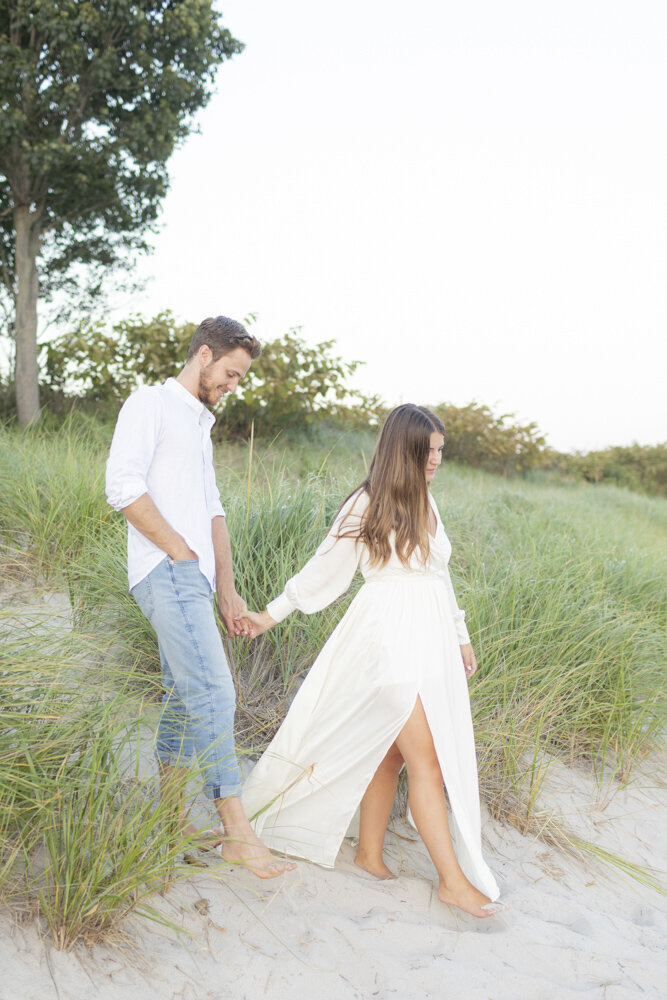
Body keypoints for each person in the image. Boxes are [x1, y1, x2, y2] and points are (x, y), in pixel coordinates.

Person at [239, 404, 506, 915]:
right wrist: (268, 615)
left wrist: (461, 636)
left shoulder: (427, 500)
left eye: (440, 453)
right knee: (427, 758)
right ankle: (451, 881)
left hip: (429, 641)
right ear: (402, 450)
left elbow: (440, 576)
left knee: (395, 752)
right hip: (388, 641)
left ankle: (367, 854)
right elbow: (323, 571)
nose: (435, 462)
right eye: (428, 453)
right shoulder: (367, 503)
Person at [105, 315, 294, 879]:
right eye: (231, 373)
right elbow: (122, 486)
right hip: (166, 571)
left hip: (195, 579)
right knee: (216, 691)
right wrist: (180, 553)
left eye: (240, 377)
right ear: (204, 354)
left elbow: (215, 513)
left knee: (185, 697)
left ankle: (167, 819)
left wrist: (227, 590)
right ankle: (238, 833)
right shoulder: (151, 404)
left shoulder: (199, 424)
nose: (234, 384)